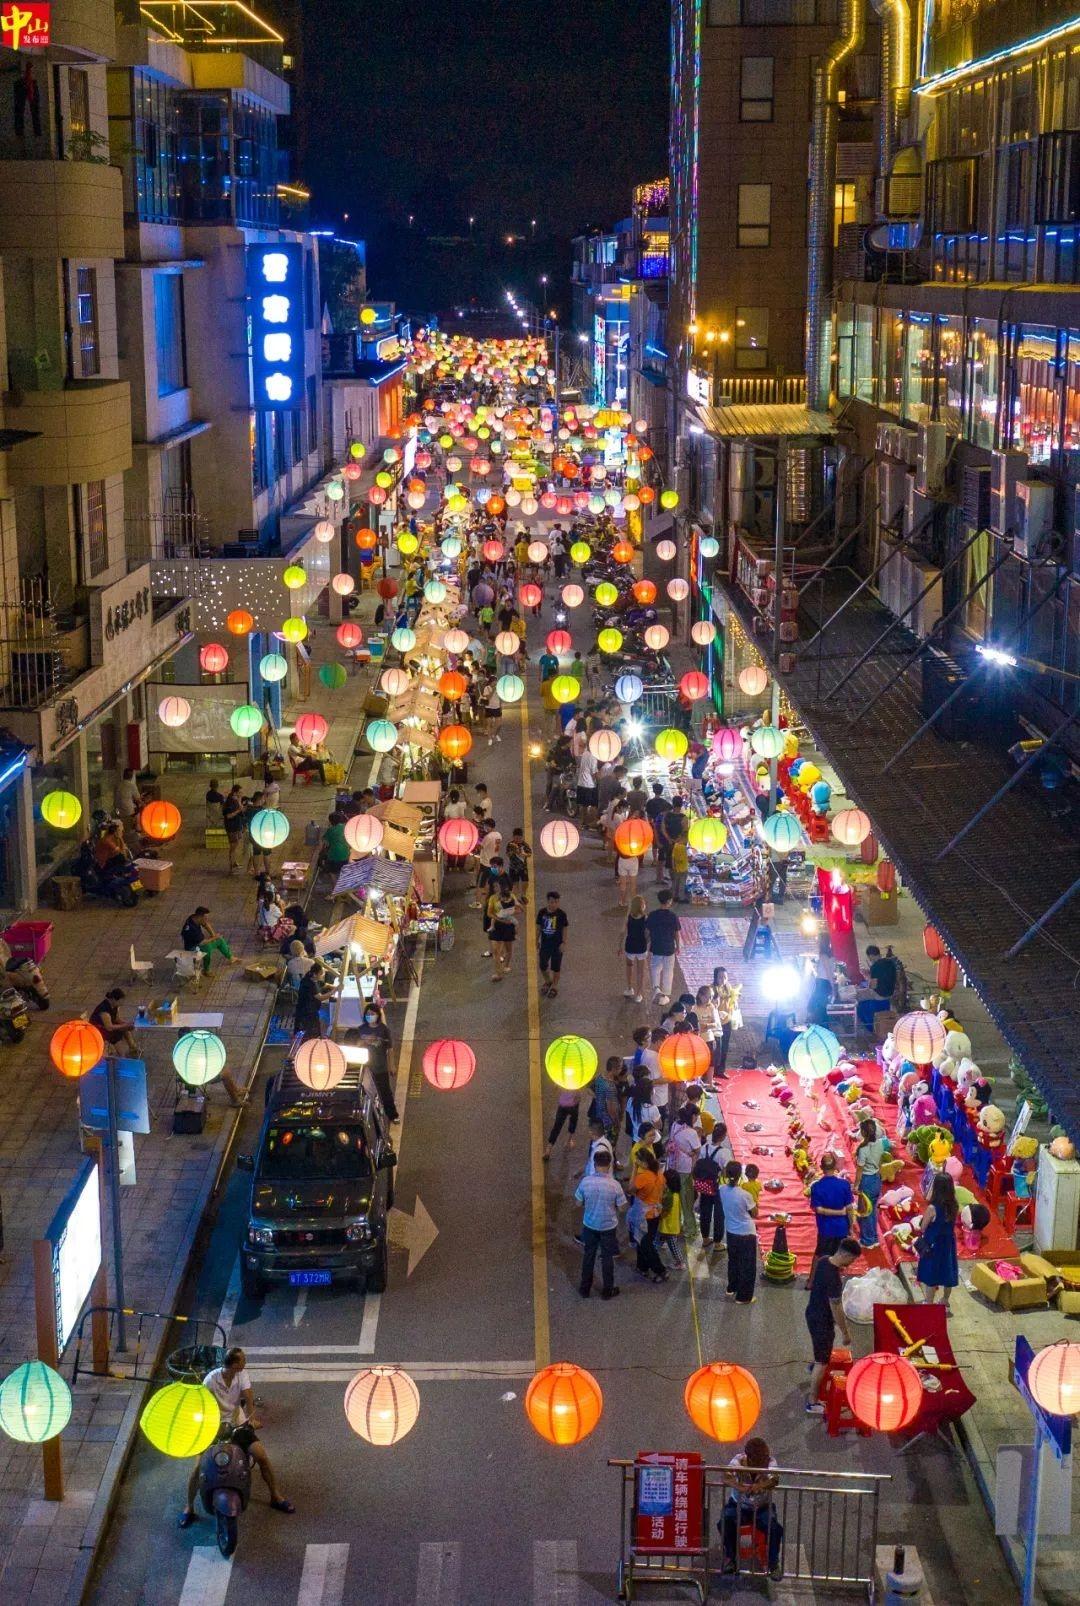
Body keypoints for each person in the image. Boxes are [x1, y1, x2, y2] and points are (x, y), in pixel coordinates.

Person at [179, 1347, 294, 1527]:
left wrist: (251, 1419)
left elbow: (248, 1396)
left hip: (237, 1423)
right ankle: (189, 1507)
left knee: (262, 1456)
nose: (245, 1363)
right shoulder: (211, 1380)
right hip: (214, 1426)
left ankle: (275, 1496)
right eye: (242, 1361)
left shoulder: (241, 1375)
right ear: (234, 1364)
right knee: (198, 1467)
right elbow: (203, 1404)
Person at [805, 1238, 861, 1414]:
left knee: (819, 1350)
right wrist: (845, 1332)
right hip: (822, 1321)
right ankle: (812, 1401)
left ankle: (814, 1366)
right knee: (823, 1361)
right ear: (845, 1254)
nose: (851, 1264)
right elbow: (836, 1308)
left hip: (811, 1313)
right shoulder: (834, 1279)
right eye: (852, 1260)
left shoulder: (823, 1260)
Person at [719, 1437, 783, 1579]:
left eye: (764, 1459)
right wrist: (740, 1487)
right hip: (738, 1505)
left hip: (762, 1507)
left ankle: (774, 1565)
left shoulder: (770, 1462)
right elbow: (726, 1477)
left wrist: (757, 1487)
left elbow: (775, 1479)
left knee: (775, 1528)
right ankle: (730, 1558)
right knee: (725, 1521)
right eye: (760, 1461)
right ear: (749, 1458)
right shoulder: (738, 1460)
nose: (763, 1463)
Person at [574, 1148, 625, 1299]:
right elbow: (622, 1208)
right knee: (607, 1258)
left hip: (590, 1225)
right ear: (609, 1166)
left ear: (595, 1164)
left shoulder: (586, 1182)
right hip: (608, 1226)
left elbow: (578, 1203)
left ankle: (585, 1289)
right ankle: (607, 1291)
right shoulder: (615, 1185)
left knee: (588, 1256)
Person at [807, 1152, 856, 1282]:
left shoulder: (816, 1186)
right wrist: (850, 1226)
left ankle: (811, 1281)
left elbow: (818, 1209)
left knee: (819, 1255)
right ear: (835, 1167)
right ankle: (835, 1281)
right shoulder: (844, 1184)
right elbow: (850, 1209)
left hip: (825, 1229)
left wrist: (837, 1212)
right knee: (839, 1256)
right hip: (841, 1228)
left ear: (821, 1168)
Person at [916, 1173, 960, 1307]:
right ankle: (945, 1300)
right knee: (948, 1271)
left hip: (933, 1245)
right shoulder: (954, 1205)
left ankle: (929, 1302)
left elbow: (923, 1228)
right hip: (948, 1243)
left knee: (931, 1274)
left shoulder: (932, 1208)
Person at [718, 1160, 758, 1304]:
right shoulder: (745, 1195)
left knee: (733, 1261)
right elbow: (755, 1213)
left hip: (731, 1231)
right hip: (746, 1233)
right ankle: (744, 1297)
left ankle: (732, 1287)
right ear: (741, 1175)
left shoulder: (721, 1189)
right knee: (747, 1265)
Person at [632, 1151, 670, 1283]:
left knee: (645, 1243)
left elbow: (630, 1189)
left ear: (643, 1163)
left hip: (644, 1215)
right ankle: (642, 1266)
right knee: (644, 1241)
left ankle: (660, 1270)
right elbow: (664, 1190)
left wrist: (634, 1169)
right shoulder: (659, 1174)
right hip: (656, 1213)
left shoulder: (643, 1177)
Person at [695, 1124, 731, 1248]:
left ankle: (705, 1238)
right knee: (719, 1214)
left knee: (705, 1211)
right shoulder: (724, 1153)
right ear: (723, 1136)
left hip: (704, 1185)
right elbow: (726, 1173)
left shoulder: (704, 1147)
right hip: (717, 1187)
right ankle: (717, 1243)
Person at [645, 889, 681, 1004]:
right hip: (669, 948)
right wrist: (678, 946)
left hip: (656, 947)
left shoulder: (652, 915)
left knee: (655, 968)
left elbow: (647, 931)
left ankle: (656, 988)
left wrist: (646, 944)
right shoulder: (673, 916)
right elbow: (676, 933)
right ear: (669, 901)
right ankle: (665, 994)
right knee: (668, 971)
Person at [854, 1117, 886, 1247]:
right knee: (872, 1210)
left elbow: (859, 1170)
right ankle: (874, 1236)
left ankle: (868, 1240)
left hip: (866, 1180)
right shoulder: (880, 1143)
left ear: (863, 1132)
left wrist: (856, 1185)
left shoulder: (863, 1149)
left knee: (866, 1211)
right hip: (876, 1179)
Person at [180, 906, 236, 975]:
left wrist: (214, 935)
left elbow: (206, 924)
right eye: (205, 918)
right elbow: (203, 942)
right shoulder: (192, 930)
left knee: (219, 940)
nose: (207, 919)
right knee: (207, 948)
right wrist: (215, 938)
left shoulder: (193, 918)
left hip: (198, 943)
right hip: (192, 948)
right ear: (200, 917)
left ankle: (231, 957)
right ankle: (207, 970)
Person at [487, 881, 525, 981]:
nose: (495, 888)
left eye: (497, 886)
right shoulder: (492, 898)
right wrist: (500, 919)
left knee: (508, 949)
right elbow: (489, 913)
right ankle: (498, 973)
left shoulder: (511, 896)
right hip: (497, 925)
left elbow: (519, 909)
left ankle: (506, 966)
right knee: (496, 951)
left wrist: (510, 914)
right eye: (494, 886)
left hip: (508, 926)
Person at [535, 890, 568, 998]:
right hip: (545, 944)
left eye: (556, 902)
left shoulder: (562, 914)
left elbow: (564, 928)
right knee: (542, 965)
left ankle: (554, 986)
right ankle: (548, 981)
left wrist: (563, 942)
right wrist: (536, 941)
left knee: (556, 967)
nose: (554, 904)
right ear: (548, 901)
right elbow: (539, 928)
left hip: (557, 945)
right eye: (552, 902)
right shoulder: (542, 912)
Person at [857, 943, 898, 1031]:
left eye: (869, 957)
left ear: (871, 956)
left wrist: (868, 977)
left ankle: (867, 1025)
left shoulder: (875, 967)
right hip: (890, 992)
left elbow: (873, 986)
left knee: (857, 995)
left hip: (879, 994)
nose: (869, 960)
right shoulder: (890, 963)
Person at [90, 987, 139, 1057]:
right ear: (114, 999)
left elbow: (117, 1019)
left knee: (126, 1030)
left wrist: (127, 1024)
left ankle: (133, 1049)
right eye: (120, 1001)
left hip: (108, 1026)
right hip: (99, 1030)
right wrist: (125, 1026)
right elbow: (109, 1027)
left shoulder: (115, 1005)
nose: (122, 1003)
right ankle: (122, 1056)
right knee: (116, 1036)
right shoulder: (104, 1011)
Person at [294, 958, 334, 1038]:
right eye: (321, 974)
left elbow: (324, 984)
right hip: (307, 1011)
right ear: (316, 974)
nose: (322, 975)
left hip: (309, 1009)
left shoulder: (310, 975)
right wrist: (334, 991)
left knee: (314, 1028)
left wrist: (333, 986)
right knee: (310, 1031)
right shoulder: (310, 984)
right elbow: (321, 998)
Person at [622, 894, 648, 1003]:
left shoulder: (629, 917)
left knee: (629, 966)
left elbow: (622, 932)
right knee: (640, 972)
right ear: (642, 906)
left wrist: (619, 946)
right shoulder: (645, 918)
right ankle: (639, 994)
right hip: (641, 946)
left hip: (630, 945)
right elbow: (647, 934)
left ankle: (629, 988)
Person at [542, 1087, 580, 1160]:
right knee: (573, 1122)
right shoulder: (576, 1082)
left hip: (562, 1105)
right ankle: (568, 1142)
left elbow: (556, 1088)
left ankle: (548, 1149)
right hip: (573, 1106)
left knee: (557, 1126)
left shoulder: (562, 1081)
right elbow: (578, 1098)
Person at [657, 1167, 684, 1267]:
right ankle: (660, 1244)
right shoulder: (675, 1193)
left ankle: (680, 1262)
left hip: (669, 1226)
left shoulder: (669, 1196)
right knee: (662, 1238)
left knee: (673, 1245)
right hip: (672, 1224)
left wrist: (658, 1215)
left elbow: (665, 1212)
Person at [221, 783, 245, 873]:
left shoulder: (236, 800)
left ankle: (234, 862)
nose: (242, 793)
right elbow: (228, 816)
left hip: (237, 825)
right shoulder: (230, 802)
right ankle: (231, 865)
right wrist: (238, 810)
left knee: (236, 844)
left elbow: (240, 809)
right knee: (233, 846)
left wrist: (239, 802)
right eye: (240, 792)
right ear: (235, 792)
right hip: (232, 827)